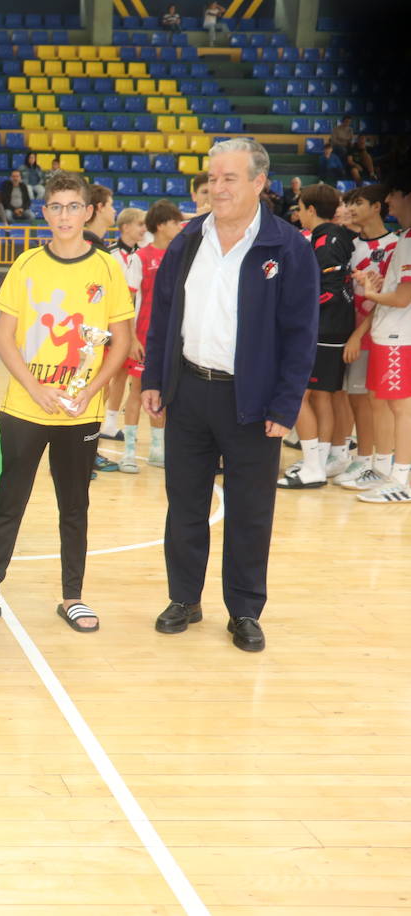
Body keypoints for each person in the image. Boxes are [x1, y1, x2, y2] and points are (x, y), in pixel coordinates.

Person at [144, 139, 320, 652]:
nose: (217, 188)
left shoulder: (288, 248)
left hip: (253, 403)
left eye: (229, 179)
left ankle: (244, 609)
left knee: (250, 511)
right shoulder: (187, 240)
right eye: (212, 178)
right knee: (185, 506)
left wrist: (285, 406)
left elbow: (299, 335)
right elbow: (163, 319)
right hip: (189, 393)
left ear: (259, 182)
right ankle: (184, 599)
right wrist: (155, 379)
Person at [0, 171, 135, 635]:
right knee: (9, 503)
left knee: (74, 504)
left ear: (88, 211)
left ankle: (73, 597)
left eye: (72, 206)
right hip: (25, 406)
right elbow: (4, 338)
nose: (64, 215)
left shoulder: (107, 268)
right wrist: (37, 388)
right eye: (55, 207)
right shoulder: (26, 264)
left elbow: (121, 341)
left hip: (81, 410)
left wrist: (91, 389)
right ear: (45, 212)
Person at [278, 183, 356, 489]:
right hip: (334, 328)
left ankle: (312, 465)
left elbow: (330, 291)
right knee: (322, 395)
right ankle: (318, 462)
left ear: (311, 210)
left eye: (299, 207)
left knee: (297, 394)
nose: (297, 213)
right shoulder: (334, 236)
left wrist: (298, 314)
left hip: (323, 329)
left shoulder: (326, 240)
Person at [349, 170, 411, 504]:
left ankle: (402, 478)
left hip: (401, 335)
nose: (388, 201)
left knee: (401, 407)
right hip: (389, 333)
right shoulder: (405, 237)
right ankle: (389, 470)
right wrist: (377, 285)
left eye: (393, 194)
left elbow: (403, 298)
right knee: (386, 403)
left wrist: (373, 295)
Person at [337, 184, 400, 491]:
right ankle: (364, 459)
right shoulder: (349, 245)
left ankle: (378, 463)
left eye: (358, 202)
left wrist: (358, 334)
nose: (351, 208)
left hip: (378, 334)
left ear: (377, 206)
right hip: (351, 330)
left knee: (376, 402)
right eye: (348, 203)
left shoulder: (395, 245)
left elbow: (390, 297)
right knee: (356, 398)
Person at [118, 200, 183, 472]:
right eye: (174, 222)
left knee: (166, 394)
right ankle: (129, 452)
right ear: (161, 225)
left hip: (174, 337)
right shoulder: (140, 258)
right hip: (144, 335)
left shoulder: (181, 256)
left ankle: (158, 449)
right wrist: (132, 338)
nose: (179, 227)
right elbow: (128, 299)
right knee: (137, 392)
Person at [100, 206, 145, 450]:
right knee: (104, 376)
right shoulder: (110, 255)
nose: (143, 229)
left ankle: (110, 423)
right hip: (112, 326)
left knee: (122, 375)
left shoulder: (142, 255)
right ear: (125, 227)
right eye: (139, 224)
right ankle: (92, 419)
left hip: (134, 326)